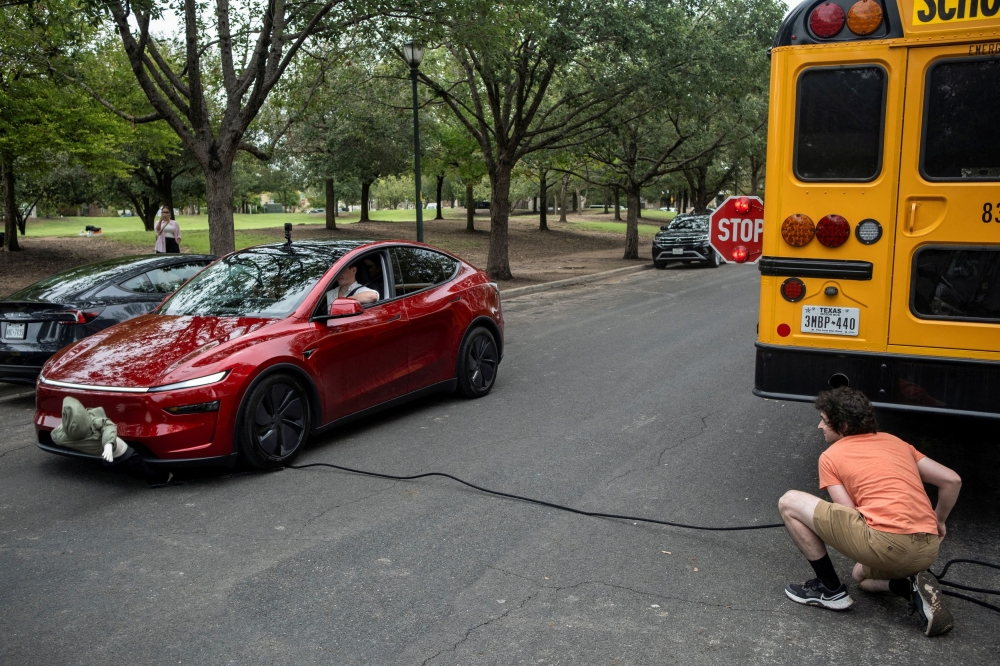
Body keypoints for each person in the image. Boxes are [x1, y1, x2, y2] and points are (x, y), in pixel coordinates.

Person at [778, 387, 962, 636]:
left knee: (789, 502)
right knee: (860, 577)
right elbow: (951, 480)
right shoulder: (895, 441)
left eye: (824, 420)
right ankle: (909, 588)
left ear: (842, 425)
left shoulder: (830, 457)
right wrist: (938, 520)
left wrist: (816, 523)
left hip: (886, 546)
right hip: (928, 550)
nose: (819, 427)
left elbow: (849, 514)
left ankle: (829, 590)